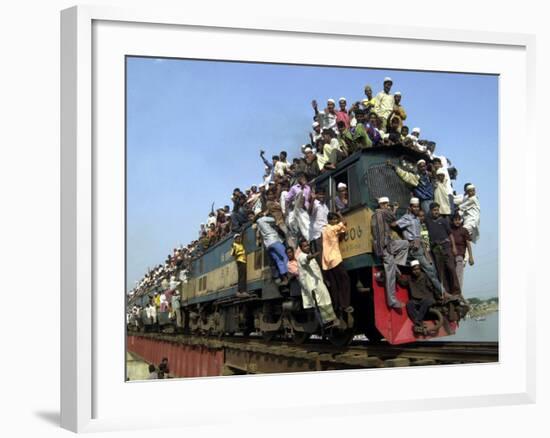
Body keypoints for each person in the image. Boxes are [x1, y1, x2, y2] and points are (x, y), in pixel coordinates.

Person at [396, 197, 444, 297]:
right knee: (430, 270)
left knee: (432, 270)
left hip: (420, 248)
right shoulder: (407, 218)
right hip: (415, 249)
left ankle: (438, 292)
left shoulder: (416, 219)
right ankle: (443, 293)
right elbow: (395, 224)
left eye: (418, 207)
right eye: (415, 207)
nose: (417, 209)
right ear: (410, 207)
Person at [371, 196, 409, 308]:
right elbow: (393, 219)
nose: (388, 206)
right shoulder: (382, 213)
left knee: (405, 244)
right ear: (382, 205)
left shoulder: (377, 214)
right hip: (385, 247)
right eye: (386, 204)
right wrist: (395, 209)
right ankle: (392, 301)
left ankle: (396, 266)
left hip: (388, 244)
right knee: (390, 275)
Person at [296, 239, 338, 326]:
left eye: (308, 245)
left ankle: (330, 320)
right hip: (313, 285)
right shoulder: (301, 256)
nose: (307, 247)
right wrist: (315, 255)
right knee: (321, 302)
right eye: (305, 246)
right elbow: (306, 259)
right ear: (301, 248)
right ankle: (327, 322)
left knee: (326, 300)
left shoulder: (309, 254)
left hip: (318, 283)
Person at [424, 202, 461, 296]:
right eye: (434, 210)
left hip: (446, 246)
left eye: (437, 210)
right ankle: (447, 292)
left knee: (451, 268)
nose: (436, 212)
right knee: (441, 271)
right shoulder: (428, 220)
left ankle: (456, 291)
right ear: (430, 211)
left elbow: (450, 234)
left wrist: (454, 247)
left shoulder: (444, 220)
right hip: (436, 248)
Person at [322, 212, 353, 316]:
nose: (336, 221)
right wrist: (340, 216)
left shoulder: (329, 229)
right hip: (334, 259)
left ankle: (338, 306)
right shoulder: (328, 228)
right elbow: (342, 224)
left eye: (336, 219)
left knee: (335, 285)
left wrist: (341, 223)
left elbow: (342, 228)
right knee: (344, 280)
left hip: (329, 261)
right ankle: (345, 304)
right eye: (334, 219)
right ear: (329, 221)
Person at [399, 260, 438, 335]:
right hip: (416, 300)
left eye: (417, 269)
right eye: (414, 270)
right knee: (409, 304)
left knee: (426, 302)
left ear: (420, 269)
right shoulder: (410, 278)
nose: (416, 271)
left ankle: (418, 322)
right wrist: (397, 275)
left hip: (427, 298)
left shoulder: (425, 276)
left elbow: (432, 287)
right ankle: (418, 323)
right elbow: (403, 283)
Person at [256, 213, 289, 285]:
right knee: (284, 256)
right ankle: (289, 274)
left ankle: (284, 279)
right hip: (274, 240)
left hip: (268, 244)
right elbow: (274, 219)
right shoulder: (262, 219)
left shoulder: (258, 226)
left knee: (278, 260)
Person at [451, 214, 474, 290]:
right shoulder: (450, 230)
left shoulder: (464, 230)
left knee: (459, 275)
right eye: (455, 220)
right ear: (452, 221)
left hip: (460, 255)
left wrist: (471, 257)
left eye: (458, 220)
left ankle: (458, 293)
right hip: (451, 256)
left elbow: (468, 244)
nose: (457, 222)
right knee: (451, 276)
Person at [285, 173, 312, 241]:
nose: (302, 179)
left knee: (308, 226)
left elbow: (308, 199)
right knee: (303, 228)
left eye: (303, 177)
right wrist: (286, 212)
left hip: (306, 210)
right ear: (298, 179)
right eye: (301, 177)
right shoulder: (294, 188)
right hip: (298, 210)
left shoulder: (308, 187)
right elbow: (287, 200)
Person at [308, 187, 329, 263]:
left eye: (323, 195)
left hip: (326, 232)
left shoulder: (324, 205)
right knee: (322, 257)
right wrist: (313, 200)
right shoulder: (315, 204)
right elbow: (309, 212)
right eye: (320, 195)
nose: (322, 196)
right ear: (316, 195)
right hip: (318, 235)